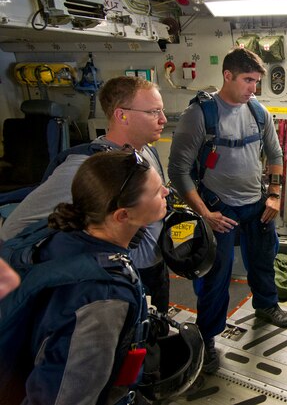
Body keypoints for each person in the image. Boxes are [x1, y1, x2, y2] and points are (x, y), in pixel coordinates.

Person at [1, 150, 169, 404]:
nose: (166, 192)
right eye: (157, 192)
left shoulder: (59, 233)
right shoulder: (103, 297)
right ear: (123, 216)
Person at [168, 47, 287, 375]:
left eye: (257, 81)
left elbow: (276, 156)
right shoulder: (200, 115)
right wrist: (204, 213)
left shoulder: (259, 112)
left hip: (257, 207)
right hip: (218, 211)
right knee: (215, 277)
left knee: (263, 261)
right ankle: (208, 336)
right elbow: (178, 171)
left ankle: (266, 305)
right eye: (248, 80)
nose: (254, 88)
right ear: (227, 76)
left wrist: (275, 196)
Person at [0, 76, 171, 312]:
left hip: (151, 270)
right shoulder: (87, 168)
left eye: (162, 111)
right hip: (114, 279)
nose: (163, 119)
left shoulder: (145, 153)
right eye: (153, 112)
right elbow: (13, 229)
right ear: (122, 115)